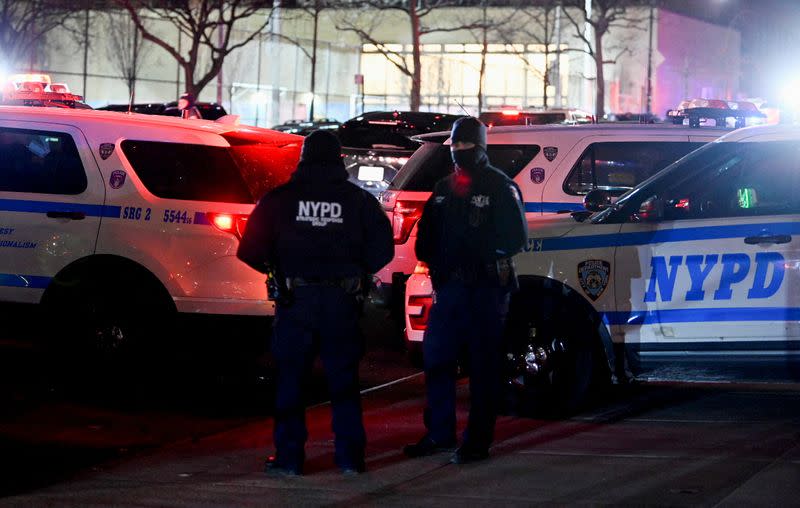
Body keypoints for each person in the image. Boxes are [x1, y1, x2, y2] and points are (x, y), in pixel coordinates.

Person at [236, 129, 393, 476]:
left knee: (291, 382)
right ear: (339, 159)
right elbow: (383, 248)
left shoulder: (279, 200)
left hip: (296, 301)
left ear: (303, 157)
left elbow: (249, 250)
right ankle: (350, 458)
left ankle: (290, 459)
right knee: (344, 382)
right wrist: (357, 269)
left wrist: (277, 267)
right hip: (342, 302)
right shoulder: (359, 201)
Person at [403, 116, 527, 464]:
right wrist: (438, 265)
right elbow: (426, 238)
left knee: (483, 367)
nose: (459, 152)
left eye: (466, 145)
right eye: (455, 146)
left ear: (481, 146)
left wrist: (477, 254)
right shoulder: (444, 188)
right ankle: (440, 433)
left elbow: (516, 238)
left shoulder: (499, 187)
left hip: (486, 289)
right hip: (451, 288)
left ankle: (477, 441)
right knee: (437, 359)